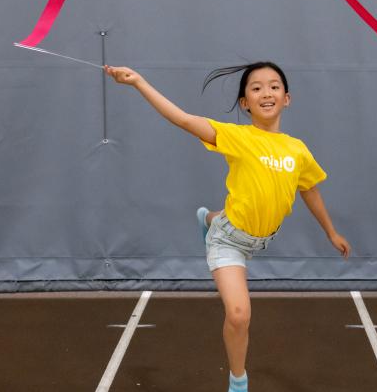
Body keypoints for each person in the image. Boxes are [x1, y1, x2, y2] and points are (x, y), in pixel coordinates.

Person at [104, 61, 351, 392]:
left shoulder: (297, 150)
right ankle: (238, 381)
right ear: (246, 102)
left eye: (274, 86)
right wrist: (138, 82)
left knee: (237, 210)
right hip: (229, 242)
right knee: (238, 314)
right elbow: (181, 118)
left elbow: (310, 190)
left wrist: (330, 232)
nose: (267, 92)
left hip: (261, 237)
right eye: (256, 87)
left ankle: (207, 217)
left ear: (287, 98)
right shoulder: (237, 136)